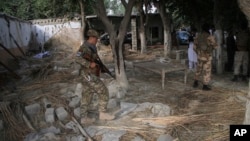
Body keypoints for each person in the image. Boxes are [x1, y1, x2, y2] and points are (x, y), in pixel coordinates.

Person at [75, 29, 115, 125]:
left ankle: (84, 118)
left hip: (88, 75)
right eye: (96, 38)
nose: (97, 40)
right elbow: (77, 57)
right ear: (92, 37)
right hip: (88, 75)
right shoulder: (84, 47)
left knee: (87, 95)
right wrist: (89, 64)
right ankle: (103, 113)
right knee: (104, 91)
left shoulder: (92, 46)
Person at [193, 23, 218, 90]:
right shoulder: (210, 37)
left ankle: (195, 82)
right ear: (208, 29)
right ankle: (205, 86)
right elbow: (215, 46)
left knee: (198, 69)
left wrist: (198, 53)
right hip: (207, 57)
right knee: (207, 71)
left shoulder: (198, 36)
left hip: (200, 56)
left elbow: (194, 47)